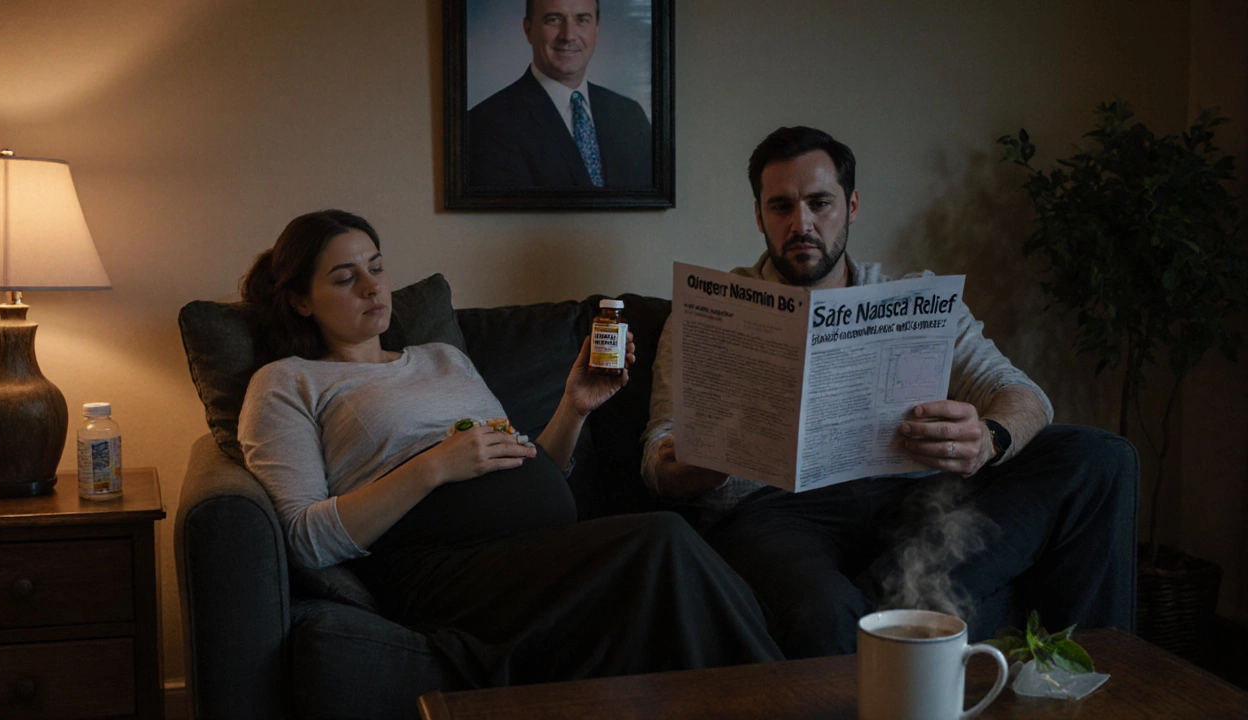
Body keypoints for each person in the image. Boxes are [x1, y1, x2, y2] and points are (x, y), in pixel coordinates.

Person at [641, 126, 1139, 658]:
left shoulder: (912, 299)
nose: (801, 224)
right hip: (774, 514)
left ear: (851, 205)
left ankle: (1080, 686)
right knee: (822, 614)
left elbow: (1022, 393)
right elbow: (657, 456)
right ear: (759, 215)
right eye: (781, 206)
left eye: (820, 203)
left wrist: (988, 437)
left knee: (1100, 458)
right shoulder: (709, 312)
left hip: (912, 499)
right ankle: (899, 603)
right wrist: (699, 462)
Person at [237, 209, 782, 688]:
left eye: (376, 267)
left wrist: (575, 405)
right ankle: (790, 699)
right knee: (661, 538)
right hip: (436, 568)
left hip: (529, 549)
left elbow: (525, 463)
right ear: (300, 300)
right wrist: (434, 468)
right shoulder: (287, 382)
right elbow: (304, 539)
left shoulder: (441, 357)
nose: (372, 288)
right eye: (344, 277)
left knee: (670, 574)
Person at [467, 0, 652, 188]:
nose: (568, 35)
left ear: (597, 30)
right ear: (528, 29)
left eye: (582, 20)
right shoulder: (488, 123)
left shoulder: (630, 116)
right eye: (554, 19)